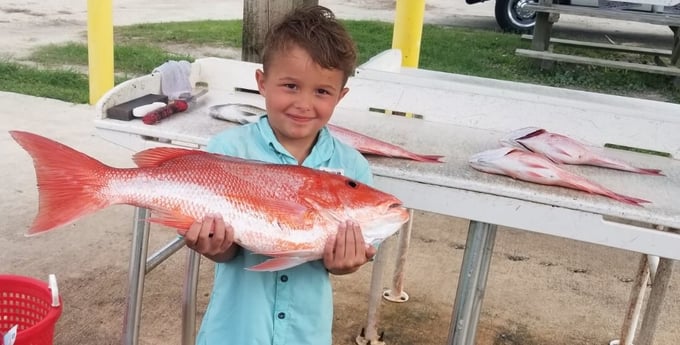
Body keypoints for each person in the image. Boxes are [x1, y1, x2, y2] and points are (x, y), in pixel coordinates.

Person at [179, 5, 376, 345]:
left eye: (322, 92)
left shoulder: (353, 168)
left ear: (340, 96)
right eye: (290, 85)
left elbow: (341, 261)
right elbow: (227, 252)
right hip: (234, 333)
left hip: (306, 334)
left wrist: (346, 264)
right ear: (262, 83)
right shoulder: (228, 149)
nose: (303, 103)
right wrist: (216, 248)